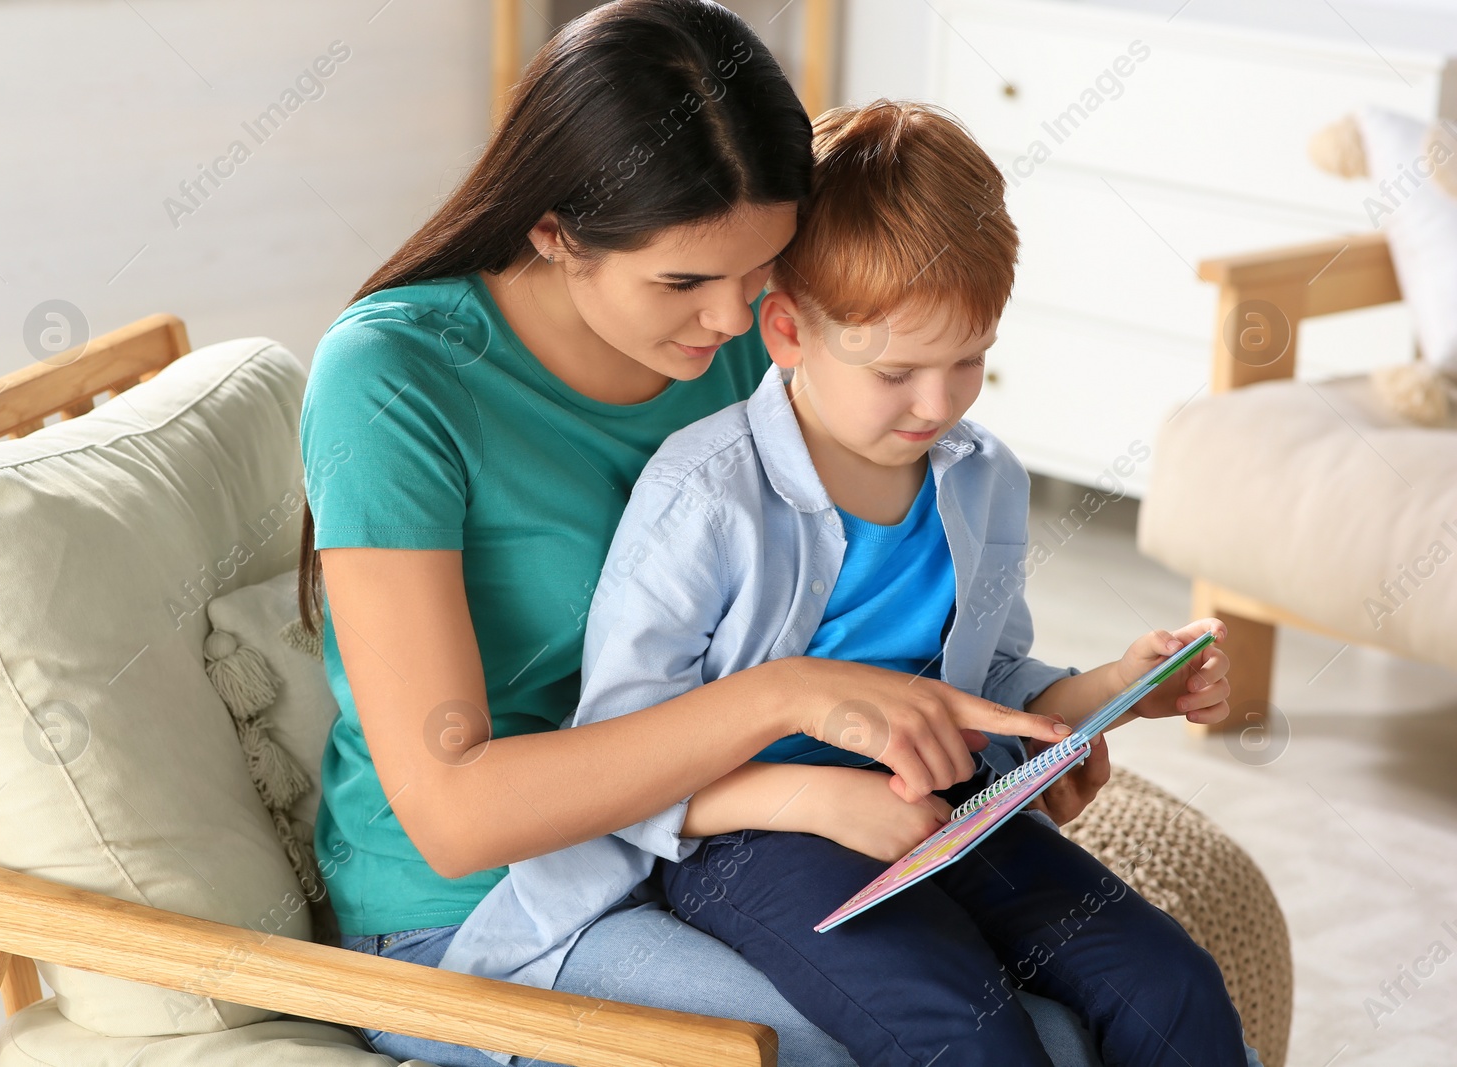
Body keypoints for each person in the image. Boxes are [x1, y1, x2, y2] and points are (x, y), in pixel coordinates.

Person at [297, 2, 1120, 1064]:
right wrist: (784, 693)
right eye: (683, 281)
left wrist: (1007, 731)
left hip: (715, 839)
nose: (735, 322)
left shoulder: (747, 338)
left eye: (762, 270)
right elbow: (455, 814)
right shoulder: (393, 381)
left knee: (1067, 1026)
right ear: (554, 230)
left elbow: (882, 576)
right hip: (479, 914)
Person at [447, 101, 1266, 1066]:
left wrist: (1115, 693)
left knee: (1172, 983)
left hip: (948, 809)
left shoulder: (980, 473)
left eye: (970, 359)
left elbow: (992, 683)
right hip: (755, 840)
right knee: (966, 1032)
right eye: (897, 370)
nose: (938, 402)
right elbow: (618, 760)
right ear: (789, 331)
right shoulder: (703, 497)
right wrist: (817, 801)